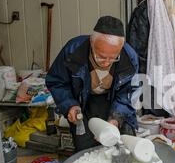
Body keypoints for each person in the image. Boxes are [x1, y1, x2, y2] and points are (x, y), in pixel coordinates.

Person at [46, 16, 139, 152]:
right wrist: (69, 105)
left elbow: (128, 93)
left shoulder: (129, 58)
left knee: (122, 148)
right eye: (100, 56)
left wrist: (115, 118)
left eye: (113, 58)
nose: (106, 63)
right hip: (83, 103)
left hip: (115, 103)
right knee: (86, 151)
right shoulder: (73, 51)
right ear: (91, 42)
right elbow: (57, 81)